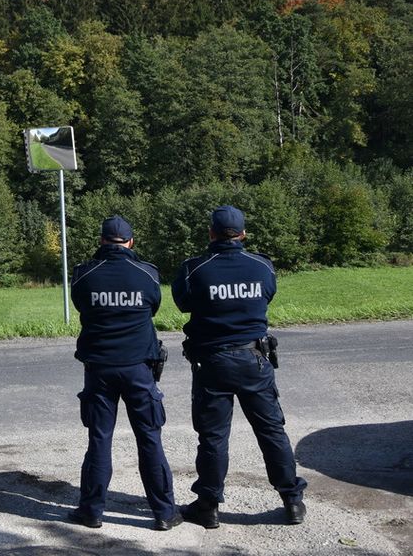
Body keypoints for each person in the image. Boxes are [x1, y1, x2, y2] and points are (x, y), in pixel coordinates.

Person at [173, 205, 307, 528]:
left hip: (212, 363)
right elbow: (268, 295)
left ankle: (208, 505)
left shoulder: (195, 269)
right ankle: (292, 501)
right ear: (244, 234)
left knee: (213, 436)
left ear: (211, 233)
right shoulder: (262, 267)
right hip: (254, 360)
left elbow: (182, 303)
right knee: (271, 430)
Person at [67, 216, 181, 531]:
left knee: (100, 439)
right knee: (149, 438)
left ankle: (92, 511)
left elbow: (81, 306)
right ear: (131, 242)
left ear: (102, 241)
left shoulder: (84, 274)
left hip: (100, 370)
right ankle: (164, 513)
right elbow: (153, 306)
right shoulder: (147, 274)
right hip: (139, 369)